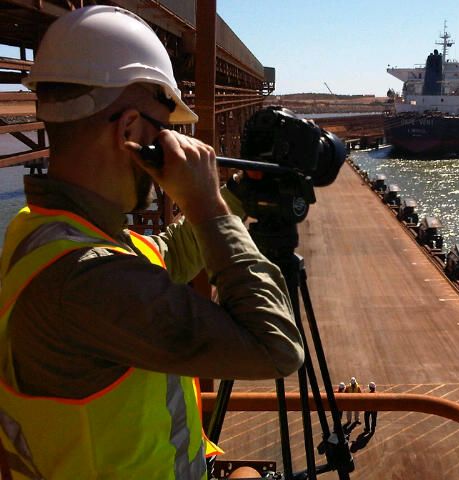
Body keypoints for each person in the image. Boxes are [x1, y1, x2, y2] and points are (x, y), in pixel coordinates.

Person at [0, 6, 304, 479]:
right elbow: (276, 348)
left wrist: (236, 194)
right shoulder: (87, 279)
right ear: (129, 133)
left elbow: (164, 255)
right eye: (165, 131)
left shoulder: (42, 229)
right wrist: (206, 207)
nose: (175, 144)